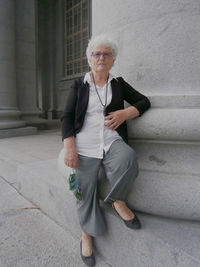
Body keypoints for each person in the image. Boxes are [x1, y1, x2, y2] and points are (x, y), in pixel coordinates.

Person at [61, 35, 151, 266]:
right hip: (83, 145)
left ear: (113, 60)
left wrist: (125, 113)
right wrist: (69, 146)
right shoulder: (79, 85)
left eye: (106, 54)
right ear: (89, 59)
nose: (101, 57)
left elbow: (143, 102)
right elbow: (67, 116)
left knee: (129, 159)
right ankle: (86, 235)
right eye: (96, 54)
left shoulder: (118, 84)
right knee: (82, 190)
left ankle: (117, 200)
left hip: (111, 141)